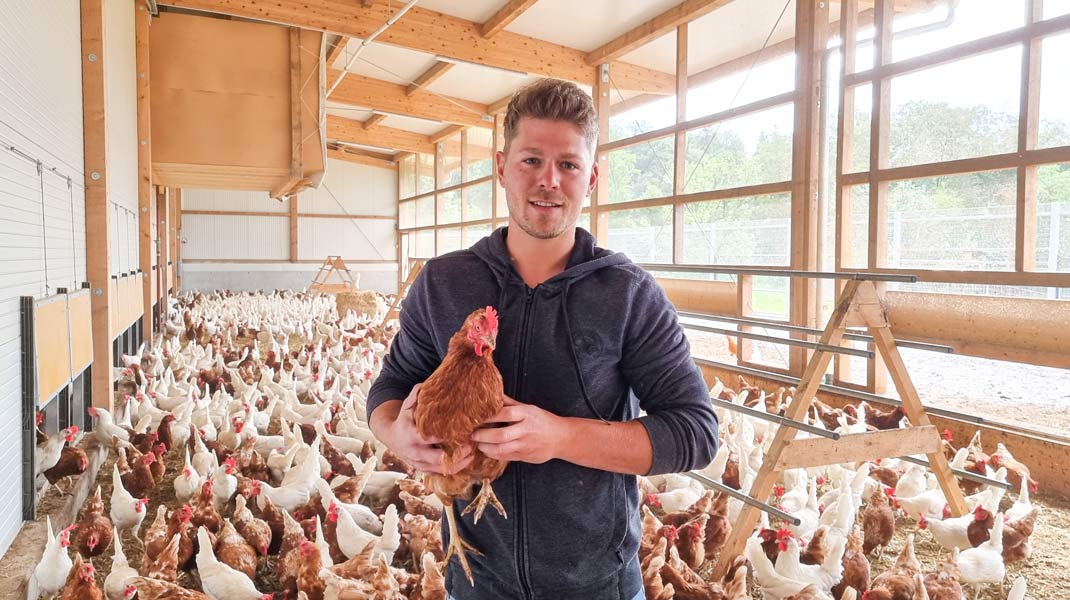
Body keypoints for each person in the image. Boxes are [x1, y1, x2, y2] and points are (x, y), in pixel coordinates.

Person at [368, 78, 719, 600]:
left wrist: (560, 437)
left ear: (591, 176)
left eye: (569, 165)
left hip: (597, 584)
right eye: (531, 160)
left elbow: (695, 433)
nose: (548, 180)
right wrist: (395, 431)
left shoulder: (628, 294)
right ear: (502, 166)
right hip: (475, 580)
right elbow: (389, 387)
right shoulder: (443, 282)